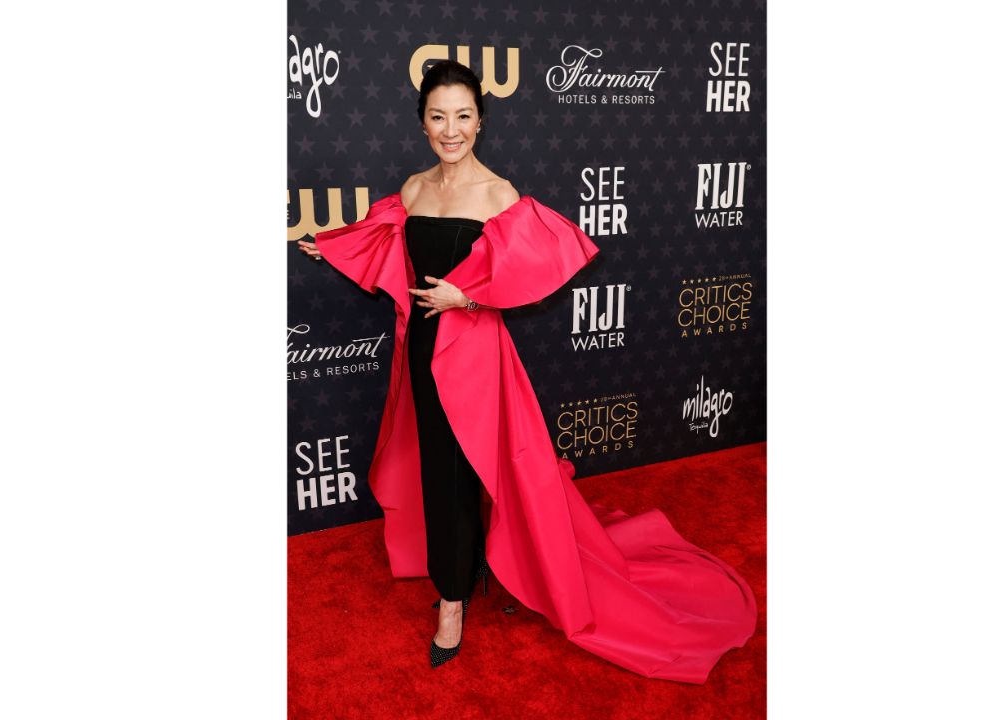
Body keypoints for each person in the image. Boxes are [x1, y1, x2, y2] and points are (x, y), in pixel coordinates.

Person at [297, 60, 757, 683]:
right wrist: (331, 244)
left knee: (478, 471)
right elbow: (379, 240)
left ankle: (454, 603)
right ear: (423, 124)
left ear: (480, 122)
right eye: (438, 117)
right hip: (421, 351)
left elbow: (529, 276)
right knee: (440, 472)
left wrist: (469, 298)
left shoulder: (501, 196)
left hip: (475, 357)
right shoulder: (411, 190)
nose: (450, 129)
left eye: (463, 116)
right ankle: (457, 579)